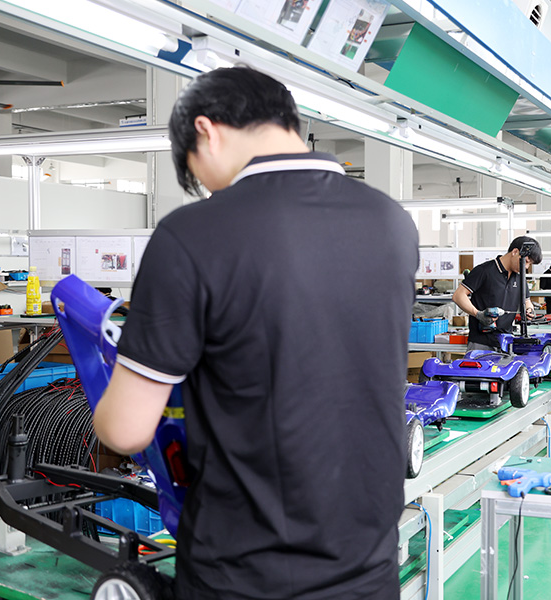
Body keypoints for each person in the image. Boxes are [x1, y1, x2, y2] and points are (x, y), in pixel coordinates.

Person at [93, 67, 419, 600]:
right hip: (369, 566)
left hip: (245, 573)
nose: (208, 189)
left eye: (196, 173)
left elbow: (127, 431)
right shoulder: (391, 222)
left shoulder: (193, 234)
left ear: (206, 130)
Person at [452, 236, 542, 350]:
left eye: (530, 264)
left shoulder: (520, 277)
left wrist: (529, 310)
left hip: (506, 342)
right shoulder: (484, 271)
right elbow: (458, 295)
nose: (526, 267)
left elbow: (527, 300)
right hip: (481, 342)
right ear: (515, 252)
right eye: (526, 262)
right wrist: (478, 314)